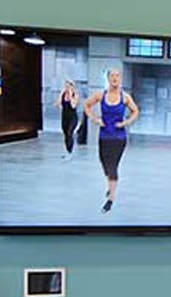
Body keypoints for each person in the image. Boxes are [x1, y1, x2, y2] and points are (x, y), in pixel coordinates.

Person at [84, 68, 138, 213]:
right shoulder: (101, 95)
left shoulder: (125, 97)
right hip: (104, 136)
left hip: (119, 138)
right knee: (105, 165)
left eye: (117, 76)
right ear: (108, 79)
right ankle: (111, 185)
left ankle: (110, 199)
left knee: (113, 166)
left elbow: (135, 111)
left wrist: (126, 122)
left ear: (120, 79)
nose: (115, 78)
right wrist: (94, 119)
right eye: (112, 76)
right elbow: (86, 105)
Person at [58, 80, 81, 162]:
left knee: (69, 133)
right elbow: (58, 103)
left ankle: (70, 152)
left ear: (72, 87)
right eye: (66, 86)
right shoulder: (63, 94)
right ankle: (67, 150)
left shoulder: (75, 95)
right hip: (65, 117)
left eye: (69, 86)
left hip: (73, 118)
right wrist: (61, 94)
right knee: (65, 134)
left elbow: (73, 106)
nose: (67, 88)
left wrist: (71, 96)